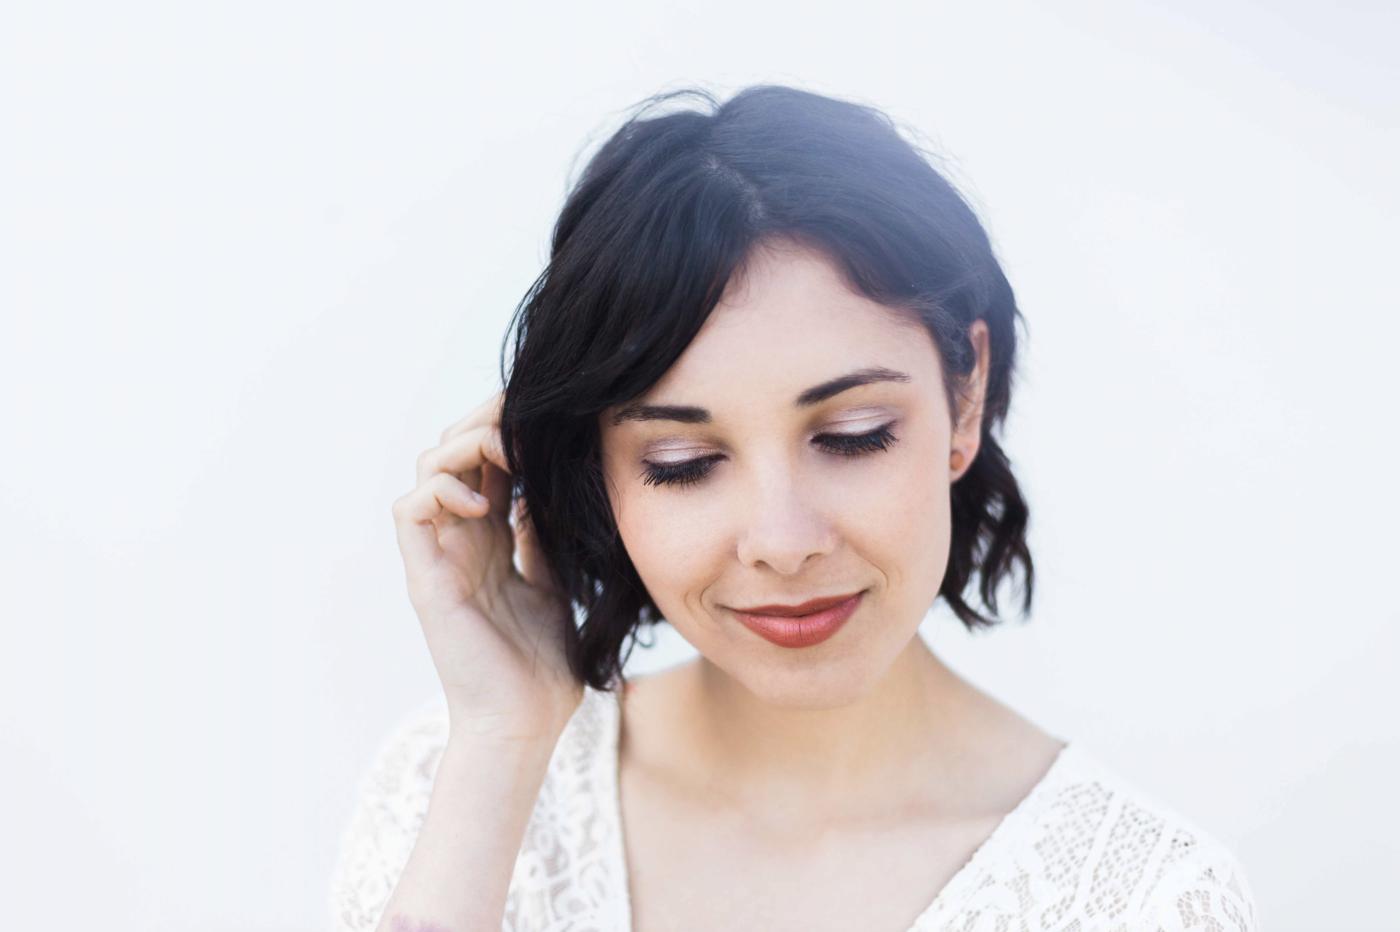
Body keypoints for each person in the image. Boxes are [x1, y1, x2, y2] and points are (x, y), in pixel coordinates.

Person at [329, 84, 1259, 931]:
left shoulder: (1143, 900)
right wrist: (502, 742)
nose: (782, 542)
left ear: (963, 399)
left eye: (852, 435)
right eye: (684, 462)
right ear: (597, 471)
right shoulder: (450, 788)